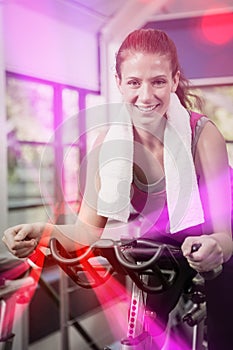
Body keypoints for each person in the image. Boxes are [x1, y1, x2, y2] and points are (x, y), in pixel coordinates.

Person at [2, 29, 232, 349]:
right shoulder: (107, 145)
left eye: (159, 81)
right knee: (143, 332)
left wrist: (215, 248)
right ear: (119, 82)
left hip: (214, 243)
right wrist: (42, 230)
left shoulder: (203, 136)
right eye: (135, 82)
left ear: (175, 81)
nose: (146, 96)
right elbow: (86, 232)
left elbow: (225, 236)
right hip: (159, 252)